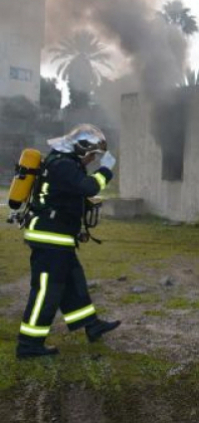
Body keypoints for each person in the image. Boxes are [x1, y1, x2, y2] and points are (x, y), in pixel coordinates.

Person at [16, 124, 121, 359]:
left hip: (58, 237)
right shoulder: (63, 164)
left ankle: (91, 325)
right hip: (49, 238)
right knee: (46, 292)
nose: (92, 160)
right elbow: (88, 187)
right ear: (82, 149)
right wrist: (106, 170)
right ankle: (29, 344)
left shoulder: (64, 162)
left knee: (73, 281)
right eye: (92, 155)